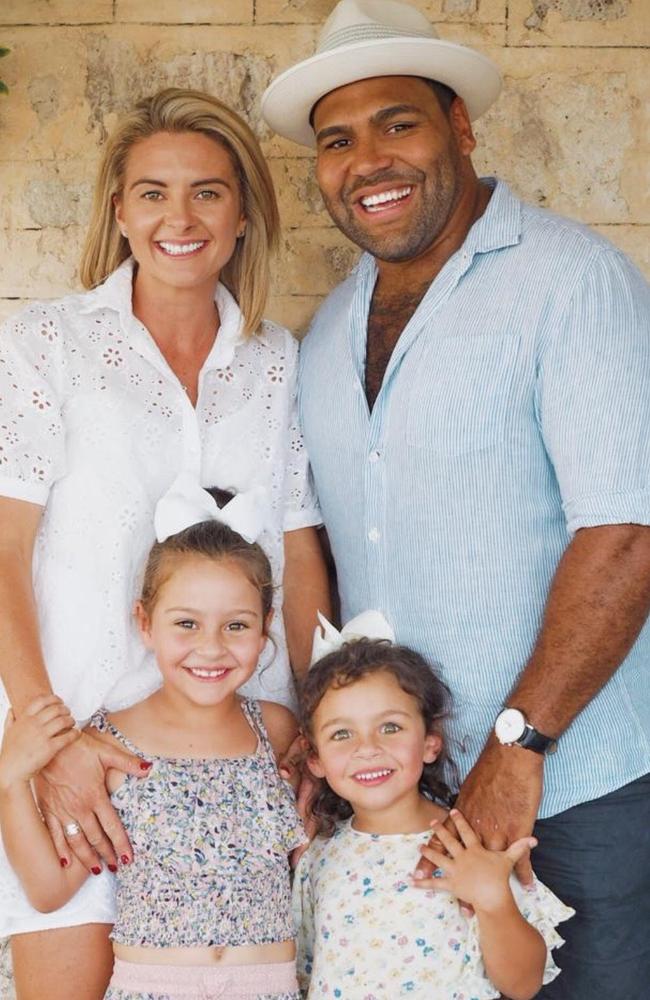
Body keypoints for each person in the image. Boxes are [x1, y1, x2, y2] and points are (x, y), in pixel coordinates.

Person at [261, 2, 650, 996]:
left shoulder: (573, 283)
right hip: (394, 806)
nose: (367, 160)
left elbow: (625, 532)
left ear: (459, 128)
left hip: (569, 791)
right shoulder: (327, 328)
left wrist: (519, 745)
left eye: (398, 123)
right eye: (337, 140)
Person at [0, 87, 328, 998]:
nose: (178, 218)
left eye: (207, 192)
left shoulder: (275, 359)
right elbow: (4, 551)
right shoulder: (46, 344)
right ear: (118, 210)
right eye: (152, 192)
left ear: (243, 214)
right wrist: (48, 742)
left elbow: (299, 553)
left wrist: (318, 729)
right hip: (80, 756)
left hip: (238, 772)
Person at [0, 478, 306, 1000]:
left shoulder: (276, 731)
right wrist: (11, 781)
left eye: (236, 626)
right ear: (144, 623)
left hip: (269, 987)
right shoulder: (111, 742)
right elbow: (50, 890)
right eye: (186, 623)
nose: (210, 648)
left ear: (265, 627)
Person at [293, 622, 573, 1000]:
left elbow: (523, 985)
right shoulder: (318, 856)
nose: (367, 748)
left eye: (390, 727)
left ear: (429, 744)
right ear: (315, 760)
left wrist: (494, 902)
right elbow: (306, 975)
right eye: (342, 734)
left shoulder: (470, 845)